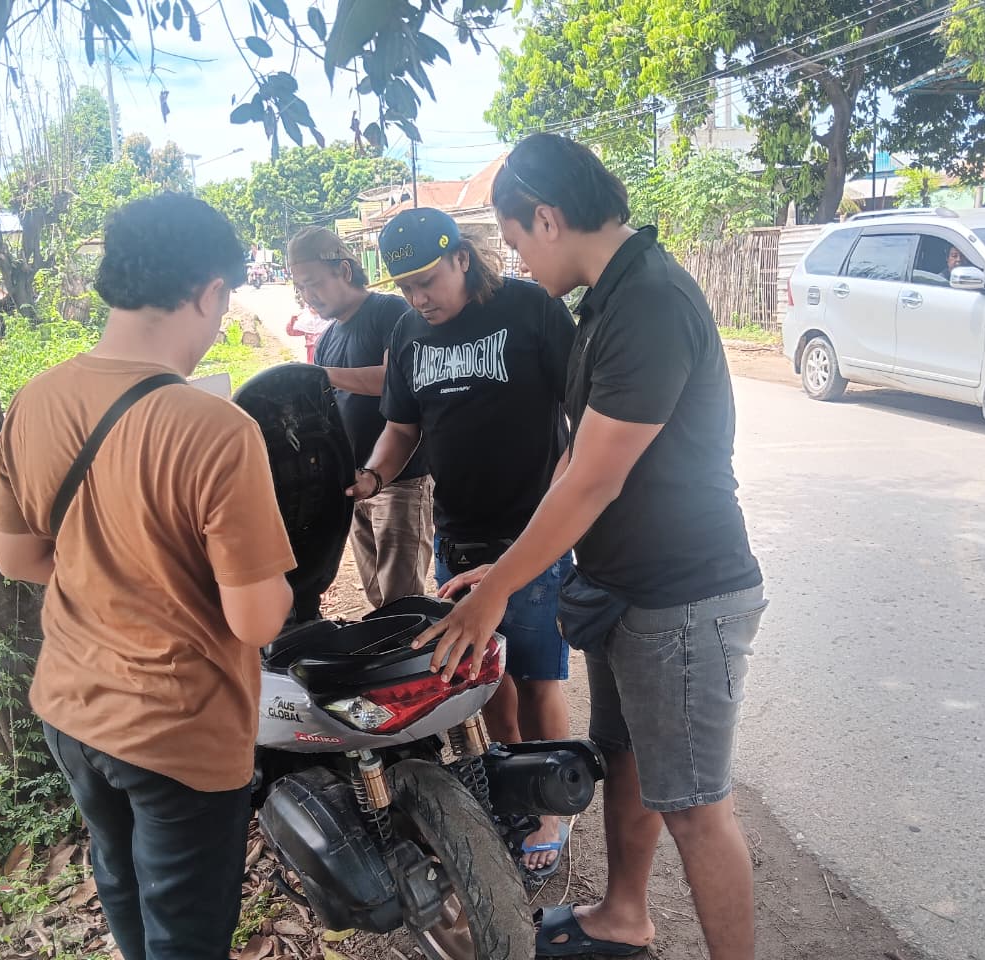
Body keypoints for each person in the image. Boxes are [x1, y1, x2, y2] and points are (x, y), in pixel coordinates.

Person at [416, 134, 766, 960]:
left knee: (695, 807)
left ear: (548, 218)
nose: (515, 258)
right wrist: (509, 562)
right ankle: (623, 914)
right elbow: (574, 458)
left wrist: (498, 592)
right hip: (624, 588)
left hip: (684, 596)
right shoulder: (607, 300)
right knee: (626, 758)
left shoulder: (650, 302)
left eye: (515, 239)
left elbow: (595, 482)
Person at [0, 193, 296, 960]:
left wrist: (115, 570)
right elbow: (257, 619)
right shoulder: (216, 428)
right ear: (210, 292)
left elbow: (17, 559)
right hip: (176, 729)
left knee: (121, 879)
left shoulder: (34, 400)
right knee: (186, 932)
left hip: (71, 707)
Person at [350, 208, 576, 874]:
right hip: (458, 540)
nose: (419, 298)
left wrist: (560, 511)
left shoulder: (531, 310)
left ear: (462, 259)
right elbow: (402, 428)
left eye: (427, 281)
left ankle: (553, 807)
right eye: (405, 287)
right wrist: (372, 477)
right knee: (487, 681)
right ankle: (513, 791)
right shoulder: (408, 332)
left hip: (531, 540)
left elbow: (585, 417)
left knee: (538, 679)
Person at [287, 226, 433, 609]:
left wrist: (323, 376)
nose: (309, 296)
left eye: (314, 283)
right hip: (353, 483)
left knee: (402, 601)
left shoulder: (389, 312)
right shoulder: (327, 338)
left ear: (344, 270)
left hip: (400, 480)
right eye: (301, 288)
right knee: (376, 596)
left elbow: (395, 380)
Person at [285, 291, 332, 363]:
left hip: (327, 357)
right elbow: (291, 332)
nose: (313, 308)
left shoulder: (329, 321)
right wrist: (292, 321)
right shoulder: (306, 322)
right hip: (311, 358)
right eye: (310, 305)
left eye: (316, 305)